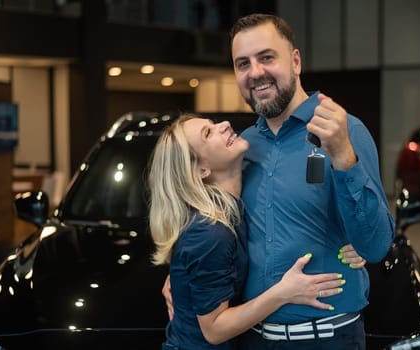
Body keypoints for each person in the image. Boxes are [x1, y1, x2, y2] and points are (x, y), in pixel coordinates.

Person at [229, 13, 395, 349]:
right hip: (254, 338)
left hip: (328, 338)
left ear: (295, 61)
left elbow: (376, 246)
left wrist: (343, 156)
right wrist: (182, 274)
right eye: (242, 63)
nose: (255, 73)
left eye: (266, 57)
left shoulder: (344, 129)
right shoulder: (243, 145)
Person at [148, 114, 346, 350]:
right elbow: (214, 329)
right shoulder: (210, 232)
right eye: (208, 133)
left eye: (213, 124)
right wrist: (284, 292)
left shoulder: (235, 210)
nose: (224, 125)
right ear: (201, 170)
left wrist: (350, 244)